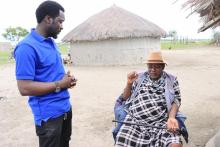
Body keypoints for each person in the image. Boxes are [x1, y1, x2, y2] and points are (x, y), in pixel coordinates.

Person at [14, 1, 76, 147]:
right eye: (60, 21)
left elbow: (51, 73)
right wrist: (60, 84)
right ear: (48, 19)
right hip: (49, 118)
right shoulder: (26, 48)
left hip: (65, 109)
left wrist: (66, 80)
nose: (62, 26)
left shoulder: (51, 42)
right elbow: (24, 88)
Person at [115, 51, 184, 147]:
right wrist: (129, 83)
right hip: (134, 121)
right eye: (150, 66)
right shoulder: (139, 77)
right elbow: (125, 97)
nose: (153, 69)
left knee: (176, 145)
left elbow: (176, 100)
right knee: (121, 139)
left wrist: (171, 118)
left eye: (157, 67)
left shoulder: (171, 80)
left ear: (163, 67)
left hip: (160, 122)